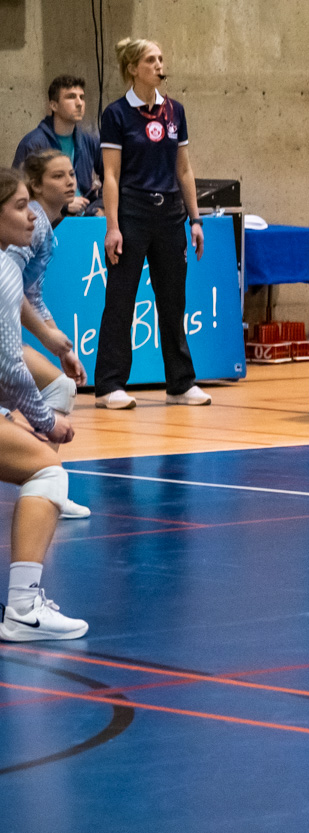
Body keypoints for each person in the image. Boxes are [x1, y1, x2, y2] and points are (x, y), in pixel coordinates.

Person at [94, 37, 209, 409]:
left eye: (161, 58)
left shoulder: (175, 111)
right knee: (121, 300)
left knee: (173, 300)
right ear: (132, 68)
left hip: (170, 214)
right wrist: (113, 226)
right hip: (132, 214)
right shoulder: (116, 114)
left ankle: (180, 384)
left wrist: (195, 219)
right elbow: (110, 176)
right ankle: (110, 385)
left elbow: (184, 168)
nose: (160, 65)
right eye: (150, 60)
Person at [0, 168, 87, 642]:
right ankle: (24, 609)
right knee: (48, 471)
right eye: (18, 207)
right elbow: (8, 369)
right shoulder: (3, 272)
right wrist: (43, 422)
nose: (29, 215)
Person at [9, 150, 92, 519]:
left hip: (9, 328)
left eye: (71, 173)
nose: (70, 181)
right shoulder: (36, 224)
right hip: (4, 332)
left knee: (60, 385)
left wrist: (61, 345)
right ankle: (45, 478)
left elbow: (32, 294)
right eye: (58, 176)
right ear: (37, 185)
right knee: (59, 388)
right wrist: (46, 337)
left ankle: (46, 480)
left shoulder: (45, 225)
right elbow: (10, 288)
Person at [12, 76, 102, 217]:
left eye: (82, 97)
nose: (79, 103)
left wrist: (99, 206)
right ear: (54, 105)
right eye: (71, 97)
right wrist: (63, 205)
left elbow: (111, 175)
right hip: (49, 219)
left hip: (85, 216)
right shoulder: (33, 143)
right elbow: (18, 192)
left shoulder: (88, 139)